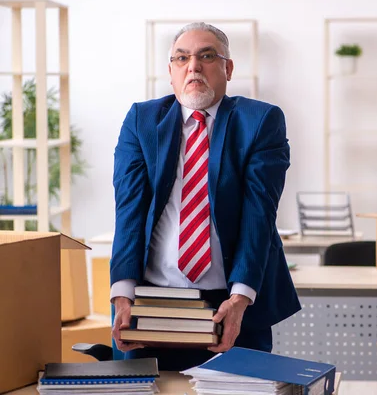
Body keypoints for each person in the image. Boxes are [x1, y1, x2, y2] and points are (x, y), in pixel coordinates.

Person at [109, 22, 301, 371]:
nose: (193, 66)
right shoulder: (142, 120)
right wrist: (122, 298)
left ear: (227, 68)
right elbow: (129, 213)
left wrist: (240, 300)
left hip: (230, 303)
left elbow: (260, 215)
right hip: (154, 305)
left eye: (206, 56)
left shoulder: (259, 121)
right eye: (182, 58)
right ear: (171, 72)